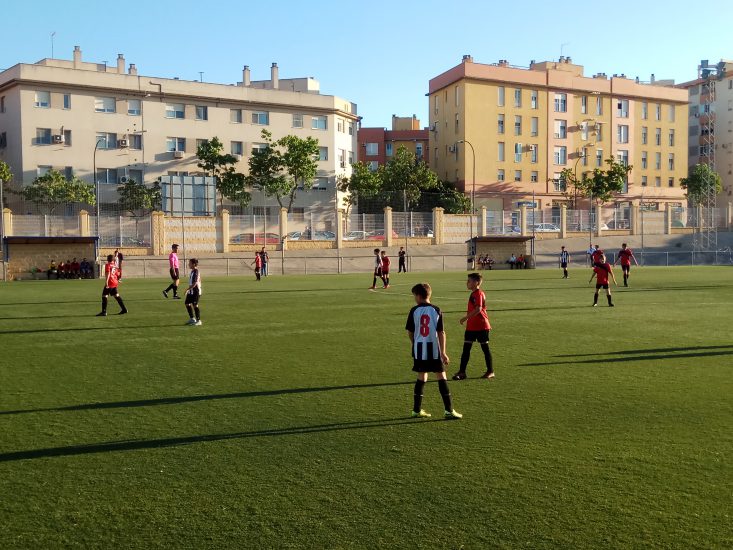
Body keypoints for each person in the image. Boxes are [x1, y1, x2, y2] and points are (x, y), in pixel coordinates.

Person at [405, 282, 462, 419]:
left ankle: (416, 410)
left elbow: (410, 331)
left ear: (419, 296)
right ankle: (449, 411)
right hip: (434, 350)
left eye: (414, 296)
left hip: (419, 350)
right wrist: (443, 352)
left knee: (421, 377)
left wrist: (414, 343)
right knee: (441, 377)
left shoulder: (414, 310)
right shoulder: (436, 309)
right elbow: (441, 332)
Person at [452, 272, 494, 381]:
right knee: (466, 349)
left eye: (469, 281)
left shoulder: (478, 293)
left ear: (476, 282)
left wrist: (465, 318)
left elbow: (478, 308)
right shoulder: (474, 293)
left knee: (485, 348)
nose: (467, 283)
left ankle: (490, 371)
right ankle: (462, 372)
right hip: (471, 326)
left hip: (481, 326)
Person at [184, 258, 202, 326]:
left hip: (196, 291)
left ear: (194, 264)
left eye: (190, 263)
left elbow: (194, 283)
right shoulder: (192, 271)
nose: (189, 264)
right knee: (187, 303)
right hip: (191, 291)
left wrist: (187, 289)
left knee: (195, 305)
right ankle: (192, 319)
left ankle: (198, 320)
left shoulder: (196, 271)